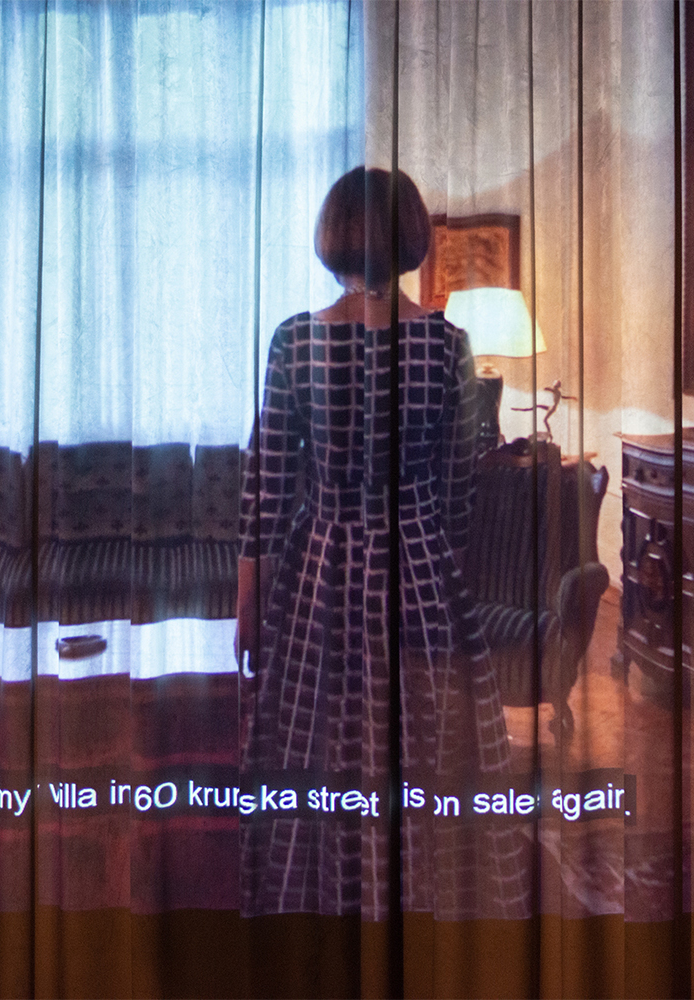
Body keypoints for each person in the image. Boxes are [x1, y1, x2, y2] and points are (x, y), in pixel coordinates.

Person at [236, 167, 528, 920]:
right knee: (421, 743)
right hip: (420, 568)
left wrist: (249, 599)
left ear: (333, 237)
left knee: (320, 740)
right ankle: (413, 896)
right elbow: (458, 489)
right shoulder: (446, 344)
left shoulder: (297, 340)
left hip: (320, 573)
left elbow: (269, 480)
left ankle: (329, 900)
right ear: (410, 239)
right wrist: (446, 582)